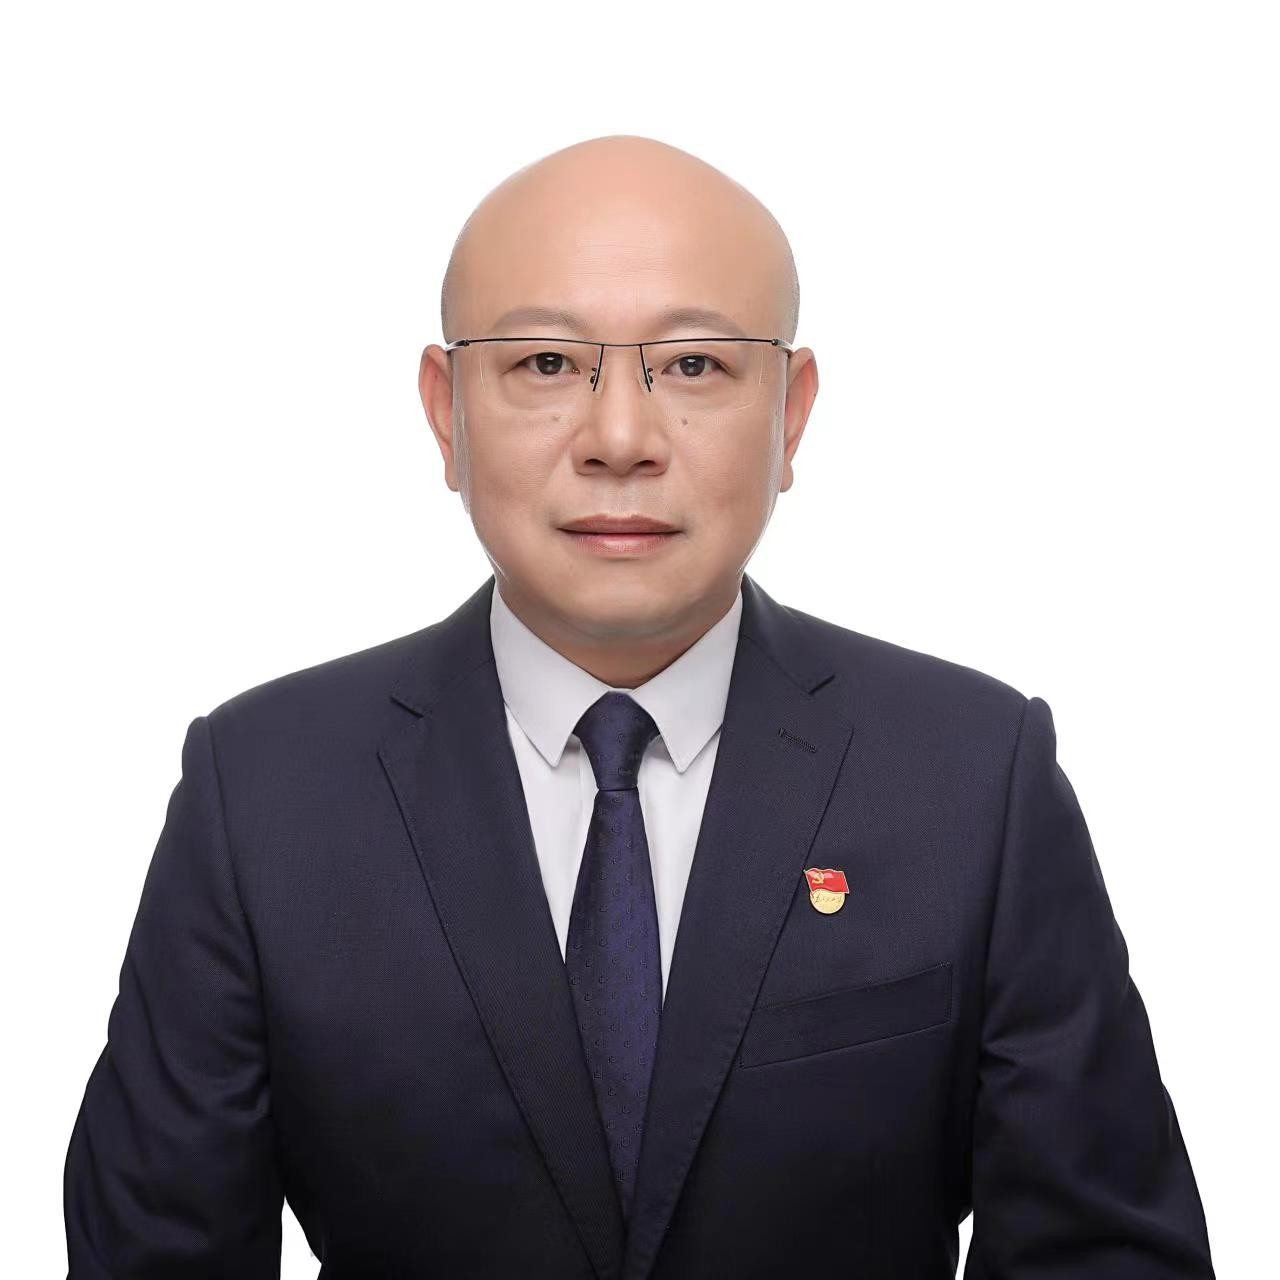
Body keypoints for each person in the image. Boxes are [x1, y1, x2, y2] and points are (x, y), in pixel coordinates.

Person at [63, 134, 1215, 1278]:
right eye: (545, 363)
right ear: (445, 412)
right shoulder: (263, 793)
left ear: (791, 413)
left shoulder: (970, 775)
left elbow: (1104, 1256)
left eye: (694, 365)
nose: (619, 440)